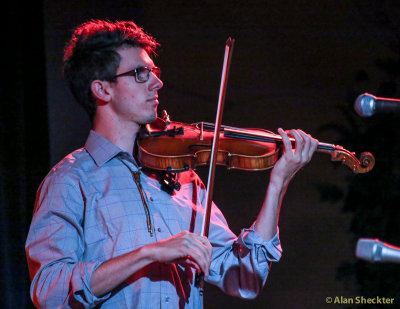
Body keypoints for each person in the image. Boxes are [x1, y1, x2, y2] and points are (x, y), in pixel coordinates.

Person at [25, 20, 319, 308]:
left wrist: (278, 183)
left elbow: (244, 277)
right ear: (103, 90)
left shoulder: (183, 178)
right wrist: (149, 254)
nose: (158, 82)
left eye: (154, 71)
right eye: (140, 73)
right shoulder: (70, 179)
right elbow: (49, 290)